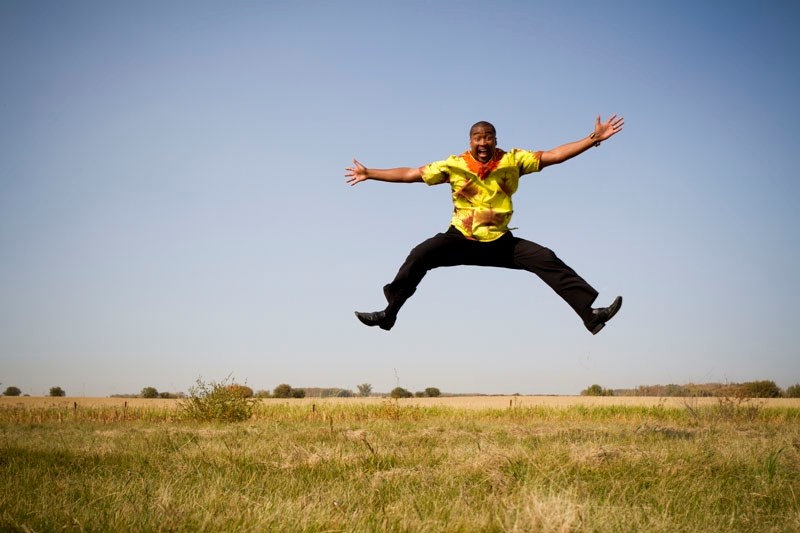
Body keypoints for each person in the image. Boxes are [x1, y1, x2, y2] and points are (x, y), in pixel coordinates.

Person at [345, 115, 624, 334]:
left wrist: (593, 139)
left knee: (545, 258)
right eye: (477, 138)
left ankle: (591, 315)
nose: (482, 143)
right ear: (470, 141)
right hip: (460, 238)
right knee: (420, 254)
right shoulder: (454, 165)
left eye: (487, 137)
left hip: (500, 242)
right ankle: (389, 313)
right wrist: (370, 173)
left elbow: (555, 154)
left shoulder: (513, 160)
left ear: (495, 140)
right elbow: (410, 174)